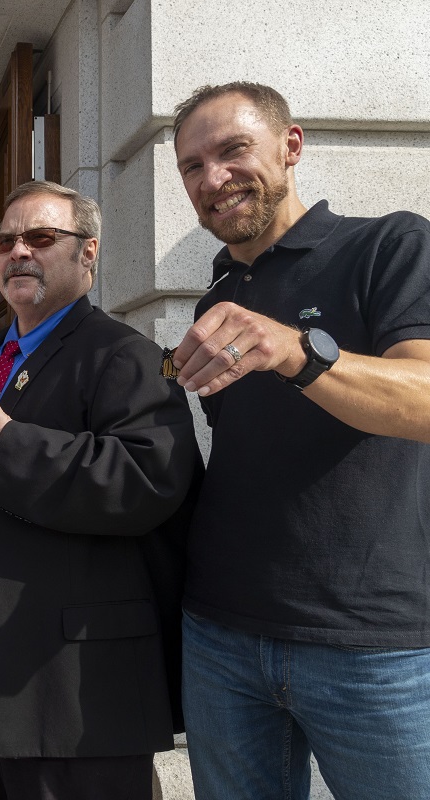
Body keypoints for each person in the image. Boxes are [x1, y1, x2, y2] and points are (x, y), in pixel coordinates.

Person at [168, 82, 430, 799]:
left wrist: (299, 351)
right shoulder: (217, 295)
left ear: (291, 146)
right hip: (220, 631)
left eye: (232, 151)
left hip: (374, 644)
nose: (212, 178)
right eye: (192, 166)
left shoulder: (390, 243)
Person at [0, 181, 202, 800]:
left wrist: (15, 443)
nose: (18, 252)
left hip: (66, 688)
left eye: (41, 238)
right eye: (5, 241)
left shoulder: (125, 355)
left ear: (88, 254)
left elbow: (149, 480)